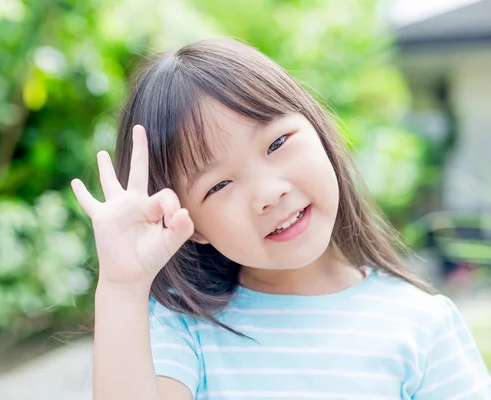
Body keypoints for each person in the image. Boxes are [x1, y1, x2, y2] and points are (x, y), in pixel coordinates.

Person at [71, 37, 491, 400]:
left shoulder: (422, 325)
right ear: (190, 223)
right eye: (218, 186)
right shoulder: (182, 330)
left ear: (319, 129)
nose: (269, 193)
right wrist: (121, 287)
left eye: (277, 142)